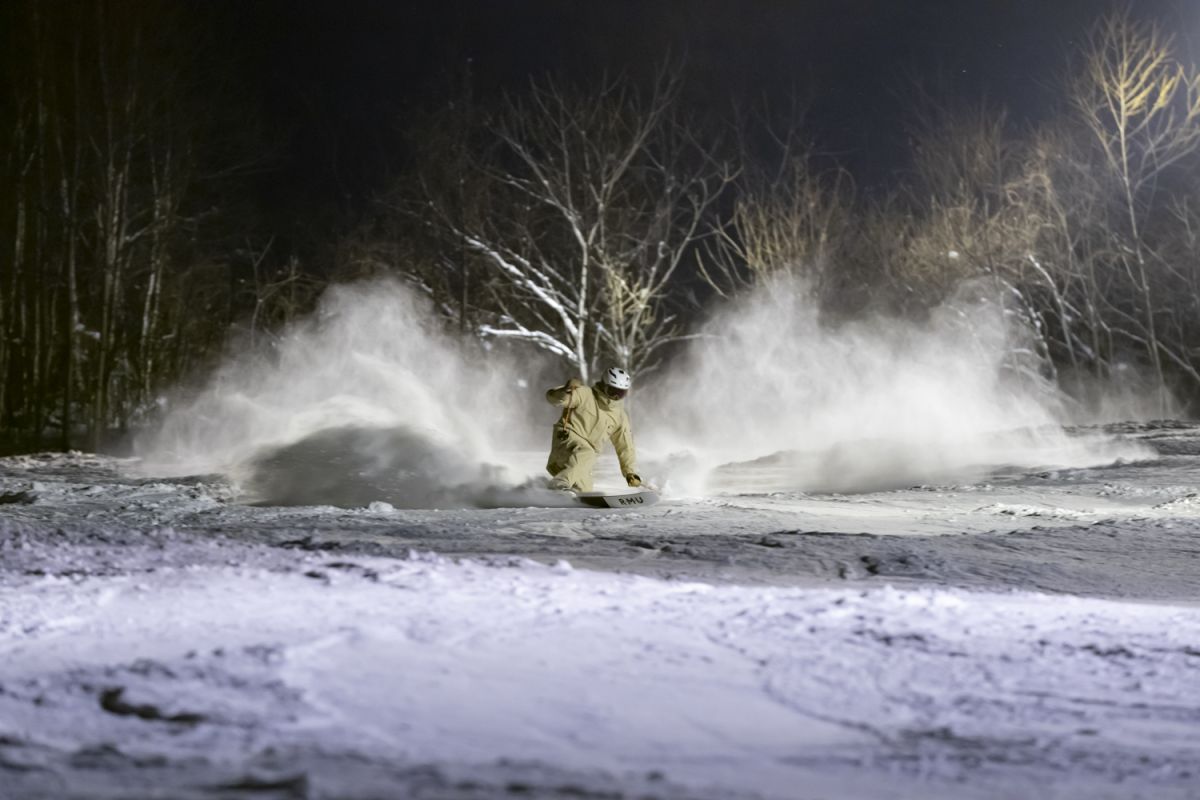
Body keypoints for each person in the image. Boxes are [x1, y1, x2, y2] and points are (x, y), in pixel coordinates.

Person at [545, 366, 641, 493]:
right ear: (604, 385)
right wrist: (565, 390)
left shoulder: (620, 416)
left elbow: (625, 445)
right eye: (613, 391)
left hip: (580, 462)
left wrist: (630, 472)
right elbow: (554, 399)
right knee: (587, 453)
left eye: (621, 393)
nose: (616, 397)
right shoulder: (585, 394)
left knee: (584, 490)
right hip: (567, 442)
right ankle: (558, 484)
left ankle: (541, 492)